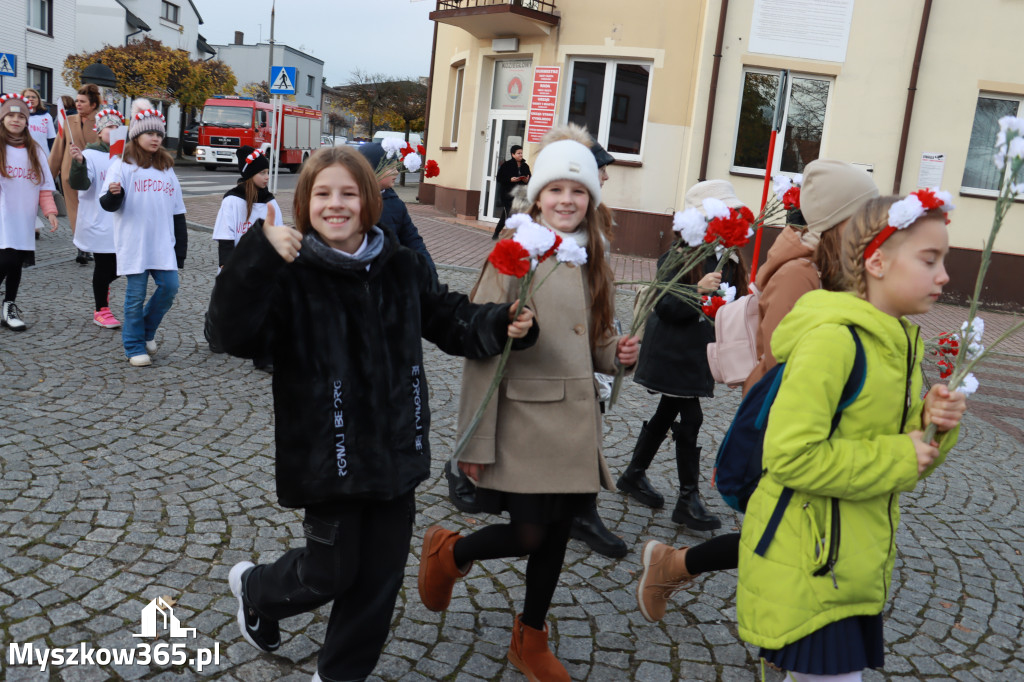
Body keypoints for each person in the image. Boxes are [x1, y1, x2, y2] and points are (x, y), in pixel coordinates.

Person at [206, 145, 536, 682]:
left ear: (370, 199)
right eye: (322, 194)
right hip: (328, 453)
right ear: (305, 203)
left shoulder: (400, 266)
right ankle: (256, 588)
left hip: (396, 451)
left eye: (348, 192)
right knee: (329, 572)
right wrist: (257, 255)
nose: (336, 205)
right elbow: (228, 335)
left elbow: (448, 317)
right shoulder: (291, 274)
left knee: (379, 578)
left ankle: (339, 675)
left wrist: (500, 324)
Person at [418, 136, 640, 681]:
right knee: (529, 535)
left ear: (591, 198)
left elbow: (595, 339)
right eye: (555, 189)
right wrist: (474, 437)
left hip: (574, 422)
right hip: (524, 419)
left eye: (578, 190)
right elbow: (478, 338)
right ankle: (449, 553)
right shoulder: (516, 249)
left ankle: (531, 635)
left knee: (558, 534)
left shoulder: (592, 255)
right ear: (537, 196)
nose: (566, 200)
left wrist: (619, 354)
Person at [731, 193, 965, 680]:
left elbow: (903, 456)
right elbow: (791, 456)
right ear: (877, 262)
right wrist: (902, 453)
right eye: (930, 260)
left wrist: (932, 425)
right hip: (810, 564)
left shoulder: (898, 340)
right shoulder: (835, 340)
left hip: (850, 566)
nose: (943, 276)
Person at [635, 161, 880, 623]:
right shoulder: (793, 274)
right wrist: (697, 294)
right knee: (687, 425)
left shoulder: (759, 259)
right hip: (709, 376)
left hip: (702, 360)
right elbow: (778, 362)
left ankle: (671, 549)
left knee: (779, 534)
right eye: (865, 216)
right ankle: (677, 511)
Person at [618, 180, 749, 532]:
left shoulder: (727, 257)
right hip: (672, 353)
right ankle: (687, 499)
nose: (730, 219)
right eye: (724, 213)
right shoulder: (678, 255)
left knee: (667, 414)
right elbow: (668, 307)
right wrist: (698, 290)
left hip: (696, 355)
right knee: (690, 419)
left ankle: (633, 474)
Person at [100, 100, 187, 367]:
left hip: (162, 243)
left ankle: (146, 331)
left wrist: (180, 250)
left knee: (170, 288)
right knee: (135, 296)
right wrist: (115, 195)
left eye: (160, 133)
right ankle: (134, 345)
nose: (156, 138)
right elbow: (107, 204)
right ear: (137, 134)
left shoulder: (167, 168)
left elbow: (177, 211)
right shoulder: (122, 165)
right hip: (134, 242)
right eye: (150, 133)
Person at [0, 93, 59, 331]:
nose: (16, 120)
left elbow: (44, 187)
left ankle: (9, 306)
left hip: (24, 217)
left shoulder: (34, 150)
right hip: (2, 217)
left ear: (27, 120)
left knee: (15, 264)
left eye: (20, 116)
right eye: (10, 115)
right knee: (7, 259)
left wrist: (50, 212)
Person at [68, 108, 125, 329]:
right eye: (109, 127)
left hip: (119, 222)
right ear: (99, 132)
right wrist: (78, 163)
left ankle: (102, 287)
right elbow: (79, 184)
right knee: (103, 266)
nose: (113, 131)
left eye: (117, 127)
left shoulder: (124, 157)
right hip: (97, 220)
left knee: (121, 266)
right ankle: (101, 309)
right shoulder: (89, 155)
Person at [356, 141, 436, 273]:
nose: (397, 171)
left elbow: (413, 241)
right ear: (373, 170)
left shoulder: (395, 203)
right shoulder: (353, 203)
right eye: (391, 167)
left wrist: (429, 274)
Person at [49, 84, 101, 264]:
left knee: (92, 211)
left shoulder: (103, 121)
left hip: (94, 175)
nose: (78, 104)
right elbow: (57, 150)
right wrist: (49, 174)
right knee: (75, 212)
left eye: (82, 102)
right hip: (69, 174)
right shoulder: (68, 120)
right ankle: (82, 248)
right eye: (77, 101)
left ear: (93, 104)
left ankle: (91, 245)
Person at [22, 88, 57, 240]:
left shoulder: (46, 117)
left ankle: (35, 223)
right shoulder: (21, 116)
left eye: (33, 96)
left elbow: (51, 140)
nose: (30, 99)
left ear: (38, 99)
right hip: (24, 160)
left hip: (43, 160)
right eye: (27, 97)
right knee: (27, 193)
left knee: (40, 192)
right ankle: (31, 224)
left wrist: (54, 160)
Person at [492, 144, 530, 239]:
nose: (521, 155)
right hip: (507, 195)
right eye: (518, 153)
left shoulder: (525, 166)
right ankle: (497, 233)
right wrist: (510, 180)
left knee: (519, 216)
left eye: (521, 153)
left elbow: (529, 177)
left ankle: (514, 236)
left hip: (520, 196)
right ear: (513, 154)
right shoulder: (506, 165)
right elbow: (499, 178)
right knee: (506, 215)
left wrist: (526, 180)